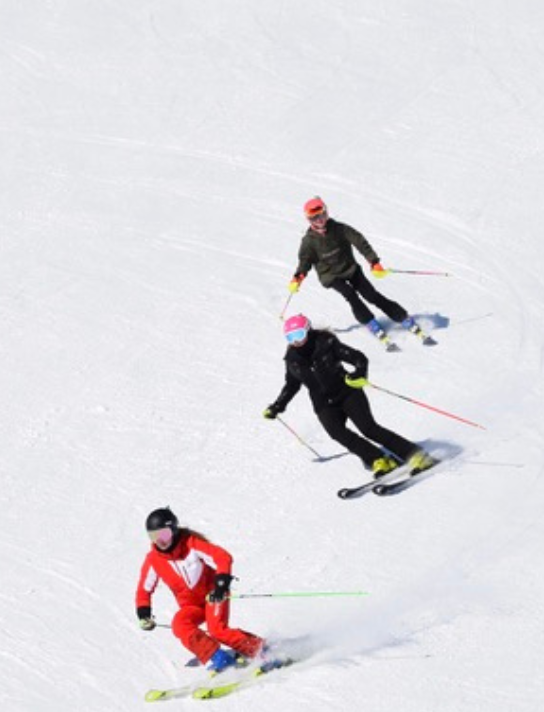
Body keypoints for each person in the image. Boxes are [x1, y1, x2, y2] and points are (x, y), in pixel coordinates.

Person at [264, 314, 433, 475]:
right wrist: (278, 406)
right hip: (323, 402)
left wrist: (359, 373)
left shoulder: (326, 343)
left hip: (347, 392)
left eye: (299, 335)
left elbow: (358, 358)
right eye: (290, 338)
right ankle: (378, 459)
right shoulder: (292, 359)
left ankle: (416, 454)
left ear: (308, 330)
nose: (296, 341)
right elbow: (291, 385)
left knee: (369, 429)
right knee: (337, 433)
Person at [134, 507, 266, 672]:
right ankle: (219, 657)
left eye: (164, 535)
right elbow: (143, 590)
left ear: (173, 531)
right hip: (191, 606)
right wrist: (144, 613)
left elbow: (222, 557)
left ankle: (261, 650)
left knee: (217, 630)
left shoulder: (191, 544)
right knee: (180, 624)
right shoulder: (154, 560)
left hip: (214, 595)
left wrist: (221, 583)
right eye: (154, 536)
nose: (160, 541)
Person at [286, 196, 423, 344]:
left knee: (371, 295)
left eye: (321, 215)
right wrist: (298, 277)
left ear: (326, 212)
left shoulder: (340, 229)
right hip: (330, 276)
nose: (319, 220)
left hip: (350, 268)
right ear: (309, 220)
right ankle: (370, 322)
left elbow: (359, 241)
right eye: (314, 218)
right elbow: (305, 261)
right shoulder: (309, 241)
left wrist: (373, 261)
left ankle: (402, 317)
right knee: (350, 294)